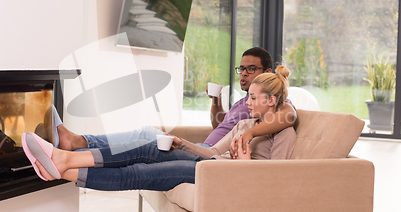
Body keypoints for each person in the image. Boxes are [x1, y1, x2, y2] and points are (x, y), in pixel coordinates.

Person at [21, 66, 297, 192]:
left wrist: (244, 164)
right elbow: (212, 151)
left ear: (272, 100)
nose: (247, 102)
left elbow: (272, 182)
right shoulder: (246, 124)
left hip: (221, 177)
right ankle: (64, 161)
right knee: (146, 145)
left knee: (137, 174)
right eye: (248, 97)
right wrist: (181, 143)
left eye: (253, 98)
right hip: (211, 163)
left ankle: (62, 166)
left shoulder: (284, 133)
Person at [55, 47, 296, 156]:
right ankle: (81, 147)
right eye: (241, 69)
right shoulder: (243, 102)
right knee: (146, 135)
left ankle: (79, 143)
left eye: (250, 69)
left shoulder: (270, 105)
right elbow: (219, 125)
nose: (243, 73)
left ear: (267, 71)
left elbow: (290, 116)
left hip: (208, 154)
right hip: (205, 147)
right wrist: (215, 101)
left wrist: (249, 134)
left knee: (145, 135)